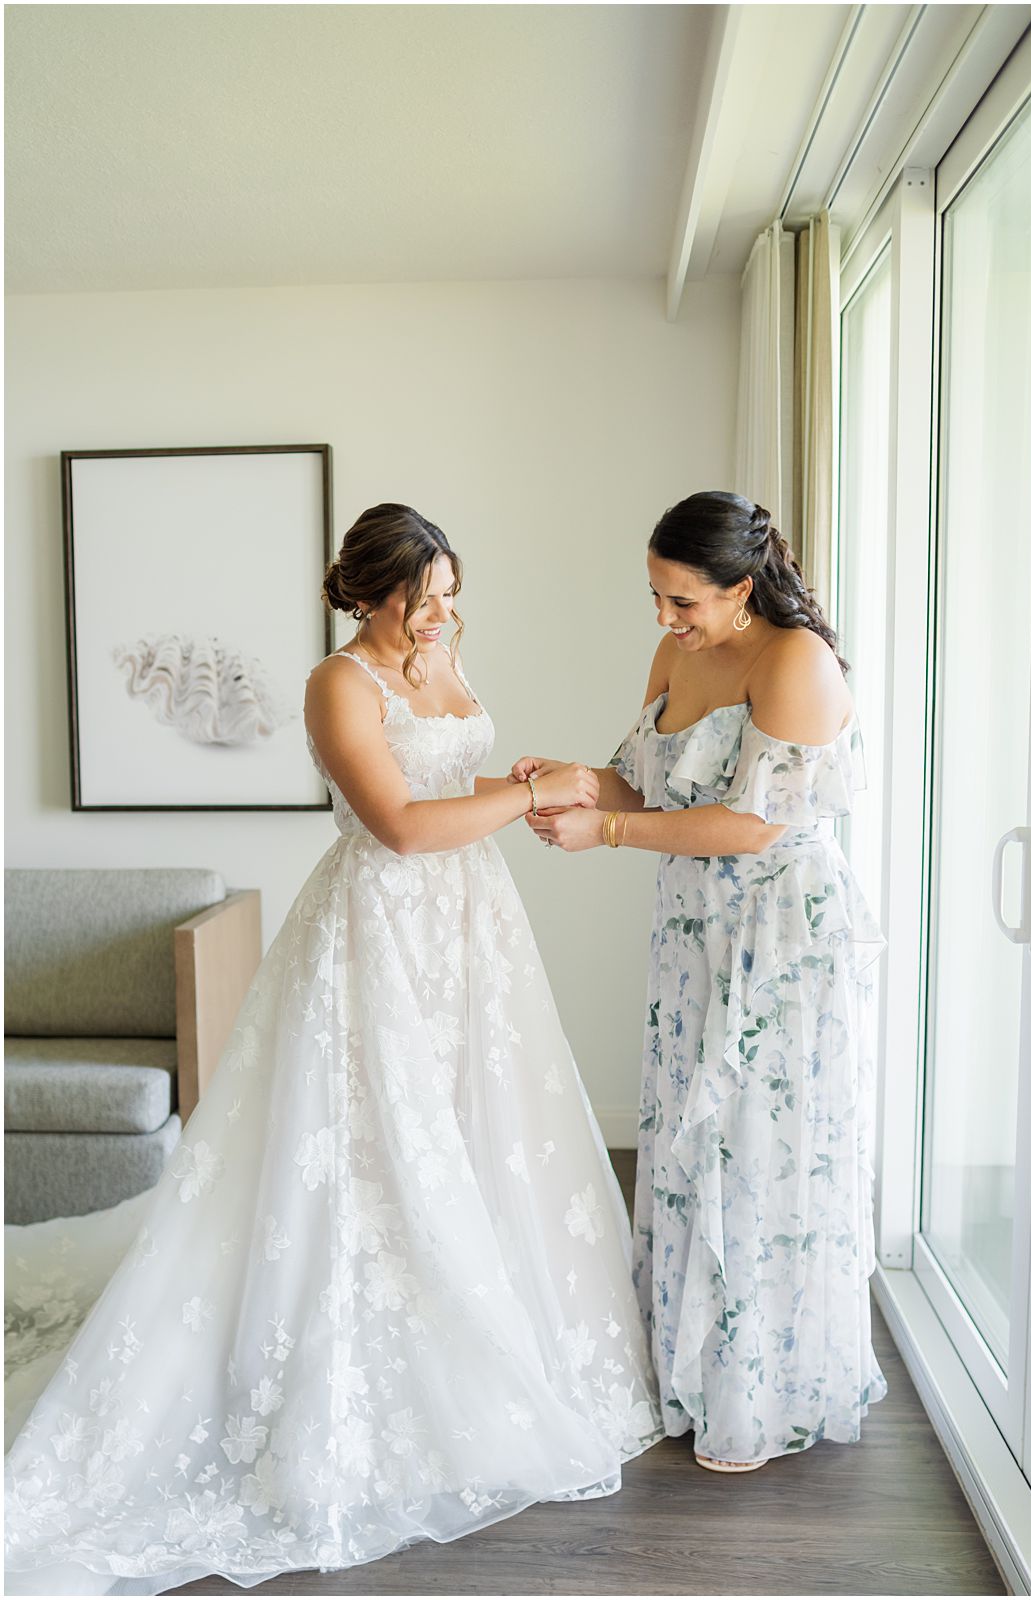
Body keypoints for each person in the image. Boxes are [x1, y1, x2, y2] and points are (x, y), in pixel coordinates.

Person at [4, 503, 662, 1596]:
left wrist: (521, 775)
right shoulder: (337, 684)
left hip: (468, 930)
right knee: (376, 1151)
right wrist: (526, 794)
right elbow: (400, 824)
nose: (446, 614)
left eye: (453, 593)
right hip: (377, 935)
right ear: (370, 594)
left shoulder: (439, 647)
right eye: (427, 597)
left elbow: (457, 784)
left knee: (472, 1129)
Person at [515, 490, 886, 1472]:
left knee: (758, 1148)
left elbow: (751, 824)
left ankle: (759, 1389)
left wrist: (610, 830)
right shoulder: (679, 654)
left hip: (778, 933)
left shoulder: (794, 661)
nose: (665, 620)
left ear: (742, 585)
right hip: (694, 934)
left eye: (682, 601)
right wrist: (579, 784)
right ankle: (692, 1370)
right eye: (655, 597)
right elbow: (646, 781)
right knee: (687, 1142)